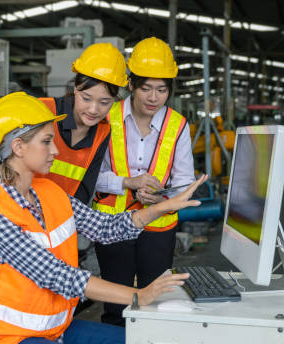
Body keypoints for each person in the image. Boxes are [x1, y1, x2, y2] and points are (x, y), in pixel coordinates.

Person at [0, 92, 207, 344]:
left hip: (57, 328)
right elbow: (57, 275)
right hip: (11, 337)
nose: (56, 150)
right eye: (47, 141)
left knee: (141, 340)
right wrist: (139, 295)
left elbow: (103, 228)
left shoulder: (49, 192)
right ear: (18, 146)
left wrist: (160, 208)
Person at [0, 42, 128, 255]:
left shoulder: (102, 131)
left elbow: (83, 191)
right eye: (86, 98)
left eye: (104, 102)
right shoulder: (41, 112)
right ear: (75, 88)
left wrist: (64, 233)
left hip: (55, 226)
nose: (93, 109)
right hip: (17, 225)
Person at [92, 37, 196, 326]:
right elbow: (92, 177)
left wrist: (162, 197)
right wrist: (127, 183)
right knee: (116, 304)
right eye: (146, 88)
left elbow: (185, 180)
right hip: (113, 225)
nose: (153, 97)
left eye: (161, 90)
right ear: (131, 86)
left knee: (155, 304)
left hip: (158, 227)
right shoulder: (106, 118)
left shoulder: (178, 126)